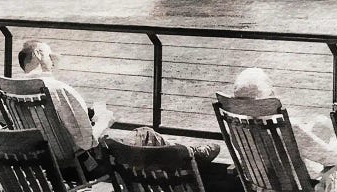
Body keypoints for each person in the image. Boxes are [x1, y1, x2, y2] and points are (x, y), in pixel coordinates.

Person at [18, 39, 220, 178]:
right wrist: (104, 120)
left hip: (48, 164)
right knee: (145, 135)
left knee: (138, 141)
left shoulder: (12, 89)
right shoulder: (59, 89)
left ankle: (184, 154)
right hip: (84, 164)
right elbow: (87, 142)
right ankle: (191, 155)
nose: (54, 59)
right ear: (38, 53)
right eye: (50, 53)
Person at [232, 67, 337, 192]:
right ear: (272, 95)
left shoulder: (236, 129)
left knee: (321, 123)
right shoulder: (288, 127)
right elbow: (333, 159)